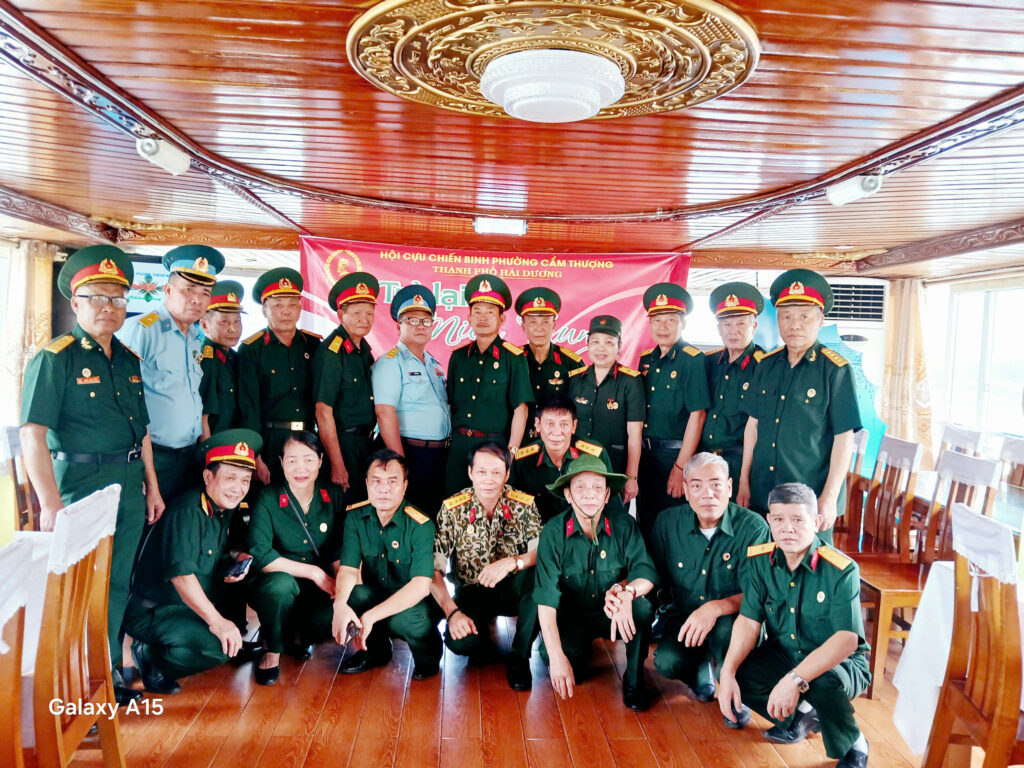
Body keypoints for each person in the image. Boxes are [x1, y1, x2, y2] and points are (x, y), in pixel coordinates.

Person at [20, 244, 162, 705]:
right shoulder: (55, 358)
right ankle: (69, 683)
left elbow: (142, 432)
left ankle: (105, 674)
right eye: (97, 297)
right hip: (80, 484)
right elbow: (32, 435)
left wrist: (152, 487)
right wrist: (49, 503)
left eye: (117, 298)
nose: (108, 307)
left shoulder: (128, 359)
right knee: (76, 584)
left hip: (129, 484)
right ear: (75, 302)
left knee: (116, 582)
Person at [717, 482, 870, 768]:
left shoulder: (841, 569)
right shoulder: (760, 560)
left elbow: (847, 640)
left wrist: (794, 680)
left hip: (839, 663)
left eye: (798, 520)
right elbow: (749, 620)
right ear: (768, 521)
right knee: (736, 672)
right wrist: (727, 672)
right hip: (785, 654)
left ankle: (853, 742)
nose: (787, 528)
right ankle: (803, 714)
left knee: (822, 681)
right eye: (778, 519)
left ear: (817, 522)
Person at [126, 429, 263, 695]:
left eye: (245, 480)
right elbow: (182, 576)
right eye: (230, 478)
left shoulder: (219, 509)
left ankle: (192, 638)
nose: (238, 488)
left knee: (231, 635)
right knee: (219, 647)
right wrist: (218, 622)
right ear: (208, 476)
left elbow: (212, 553)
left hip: (185, 604)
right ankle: (151, 656)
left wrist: (238, 557)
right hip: (157, 610)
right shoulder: (188, 511)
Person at [737, 269, 862, 544]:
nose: (794, 325)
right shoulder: (765, 365)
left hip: (808, 500)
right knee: (760, 561)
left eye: (804, 317)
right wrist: (744, 480)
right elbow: (753, 426)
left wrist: (829, 497)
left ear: (820, 320)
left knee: (809, 567)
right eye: (786, 317)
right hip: (762, 494)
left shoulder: (835, 370)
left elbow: (844, 438)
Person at [534, 453, 657, 711]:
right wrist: (556, 658)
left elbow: (645, 573)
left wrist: (627, 593)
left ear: (606, 495)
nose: (589, 494)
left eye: (598, 487)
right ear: (568, 494)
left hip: (611, 613)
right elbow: (545, 599)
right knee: (566, 667)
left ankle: (634, 679)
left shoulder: (625, 525)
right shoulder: (553, 533)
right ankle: (576, 649)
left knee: (642, 607)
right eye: (580, 487)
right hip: (572, 616)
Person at [649, 452, 770, 703]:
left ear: (729, 487)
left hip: (733, 618)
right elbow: (654, 578)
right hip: (686, 616)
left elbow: (759, 592)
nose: (708, 494)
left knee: (727, 634)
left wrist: (715, 608)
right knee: (667, 662)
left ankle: (734, 686)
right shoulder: (667, 523)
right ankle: (698, 669)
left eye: (716, 484)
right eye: (697, 486)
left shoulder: (753, 528)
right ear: (686, 490)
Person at [432, 441, 542, 690]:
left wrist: (512, 562)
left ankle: (520, 656)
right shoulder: (452, 509)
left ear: (507, 474)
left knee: (539, 578)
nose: (488, 480)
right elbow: (434, 569)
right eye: (481, 471)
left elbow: (541, 551)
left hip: (513, 588)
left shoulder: (523, 504)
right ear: (470, 472)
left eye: (496, 472)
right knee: (462, 643)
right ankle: (480, 634)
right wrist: (452, 613)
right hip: (472, 591)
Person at [118, 244, 223, 503]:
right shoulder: (142, 330)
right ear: (167, 290)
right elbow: (125, 404)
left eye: (205, 293)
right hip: (154, 458)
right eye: (188, 290)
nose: (197, 299)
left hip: (189, 456)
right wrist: (147, 474)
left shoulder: (196, 337)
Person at [331, 449, 442, 679]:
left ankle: (428, 655)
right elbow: (349, 569)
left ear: (404, 486)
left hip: (412, 603)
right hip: (378, 593)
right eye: (377, 481)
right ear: (367, 484)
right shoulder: (355, 517)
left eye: (392, 482)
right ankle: (376, 651)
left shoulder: (420, 524)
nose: (384, 489)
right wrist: (339, 605)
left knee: (406, 621)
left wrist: (371, 616)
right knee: (354, 595)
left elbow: (421, 586)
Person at [247, 431, 346, 685]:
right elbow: (260, 553)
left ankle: (299, 636)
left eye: (308, 459)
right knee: (280, 585)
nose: (300, 468)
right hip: (277, 585)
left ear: (320, 461)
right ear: (281, 462)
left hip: (317, 592)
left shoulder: (333, 494)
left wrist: (341, 588)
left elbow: (339, 547)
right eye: (292, 460)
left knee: (352, 596)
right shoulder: (268, 497)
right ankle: (272, 650)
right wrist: (314, 572)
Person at [445, 273, 532, 495]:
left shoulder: (514, 358)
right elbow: (451, 403)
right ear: (469, 317)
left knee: (492, 505)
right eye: (477, 312)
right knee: (453, 504)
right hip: (459, 447)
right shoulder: (458, 357)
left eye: (490, 312)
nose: (483, 317)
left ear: (501, 319)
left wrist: (511, 452)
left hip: (495, 447)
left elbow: (520, 409)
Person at [637, 283, 711, 544]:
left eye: (670, 320)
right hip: (647, 458)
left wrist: (680, 467)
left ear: (683, 324)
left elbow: (698, 416)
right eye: (657, 320)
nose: (663, 327)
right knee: (646, 524)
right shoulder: (647, 360)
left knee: (674, 529)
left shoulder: (692, 360)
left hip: (675, 457)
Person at [372, 285, 451, 517]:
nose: (420, 326)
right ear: (399, 326)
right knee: (409, 518)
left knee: (432, 519)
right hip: (410, 452)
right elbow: (384, 413)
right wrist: (399, 463)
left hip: (438, 457)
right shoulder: (390, 362)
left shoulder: (433, 364)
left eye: (426, 321)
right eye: (412, 320)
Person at [238, 268, 322, 485]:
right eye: (277, 306)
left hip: (308, 438)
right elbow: (249, 409)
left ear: (300, 309)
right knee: (269, 498)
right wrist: (255, 457)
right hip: (269, 441)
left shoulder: (313, 345)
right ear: (264, 310)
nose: (286, 312)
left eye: (292, 305)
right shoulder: (252, 349)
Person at [313, 272, 379, 505]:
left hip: (364, 443)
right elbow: (323, 412)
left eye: (369, 313)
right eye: (357, 313)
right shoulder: (332, 352)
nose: (364, 319)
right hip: (342, 445)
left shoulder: (364, 351)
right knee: (344, 507)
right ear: (341, 315)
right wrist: (337, 463)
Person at [509, 394, 619, 523]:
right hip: (540, 530)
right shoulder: (523, 459)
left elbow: (612, 506)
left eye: (564, 424)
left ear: (574, 426)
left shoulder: (595, 455)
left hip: (586, 529)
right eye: (550, 424)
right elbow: (514, 507)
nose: (557, 432)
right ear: (537, 424)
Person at [566, 315, 643, 499]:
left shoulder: (630, 382)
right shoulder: (575, 379)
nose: (601, 348)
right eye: (595, 341)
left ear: (619, 346)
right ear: (587, 344)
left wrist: (631, 477)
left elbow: (635, 434)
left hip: (614, 467)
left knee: (613, 514)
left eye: (608, 342)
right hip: (578, 465)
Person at [700, 282, 766, 492]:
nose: (733, 331)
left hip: (740, 464)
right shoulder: (708, 362)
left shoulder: (764, 366)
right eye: (726, 324)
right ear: (718, 328)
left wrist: (745, 477)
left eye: (741, 324)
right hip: (704, 461)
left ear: (754, 326)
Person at [513, 287, 582, 438]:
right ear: (523, 327)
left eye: (545, 322)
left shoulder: (571, 363)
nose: (539, 329)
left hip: (557, 441)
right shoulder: (513, 360)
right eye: (533, 322)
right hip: (520, 442)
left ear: (554, 325)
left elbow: (578, 409)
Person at [199, 279, 245, 439]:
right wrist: (207, 449)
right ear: (204, 325)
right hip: (215, 445)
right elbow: (202, 417)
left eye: (237, 321)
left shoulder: (234, 358)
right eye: (224, 321)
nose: (233, 328)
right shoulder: (206, 360)